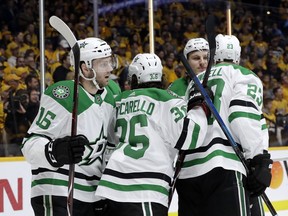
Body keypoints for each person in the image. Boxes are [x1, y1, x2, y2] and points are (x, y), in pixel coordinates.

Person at [96, 53, 211, 216]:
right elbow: (192, 136)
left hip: (111, 187)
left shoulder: (120, 100)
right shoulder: (168, 99)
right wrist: (200, 108)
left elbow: (111, 141)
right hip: (145, 187)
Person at [175, 34, 273, 216]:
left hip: (189, 173)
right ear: (238, 55)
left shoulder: (196, 82)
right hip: (225, 167)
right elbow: (241, 114)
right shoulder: (245, 75)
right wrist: (258, 159)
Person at [21, 37, 117, 216]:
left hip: (92, 196)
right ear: (85, 67)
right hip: (59, 188)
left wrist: (103, 194)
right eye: (103, 64)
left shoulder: (109, 98)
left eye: (110, 62)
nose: (110, 68)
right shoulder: (64, 94)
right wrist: (56, 151)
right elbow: (29, 144)